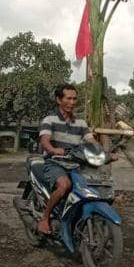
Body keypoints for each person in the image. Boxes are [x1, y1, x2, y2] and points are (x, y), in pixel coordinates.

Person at [36, 83, 97, 235]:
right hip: (54, 163)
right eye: (68, 98)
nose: (72, 102)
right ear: (58, 99)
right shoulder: (49, 120)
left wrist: (104, 153)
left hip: (75, 164)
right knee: (64, 185)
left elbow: (92, 141)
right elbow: (45, 140)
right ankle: (45, 218)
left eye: (74, 99)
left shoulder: (81, 123)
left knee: (91, 186)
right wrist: (52, 149)